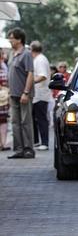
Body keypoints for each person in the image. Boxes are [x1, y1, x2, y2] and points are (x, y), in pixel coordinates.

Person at [6, 28, 35, 159]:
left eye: (12, 38)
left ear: (19, 39)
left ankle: (28, 149)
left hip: (24, 94)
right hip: (13, 93)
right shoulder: (12, 53)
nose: (10, 41)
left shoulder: (26, 54)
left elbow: (30, 73)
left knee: (25, 121)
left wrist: (26, 92)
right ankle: (19, 149)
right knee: (15, 122)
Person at [30, 41, 51, 151]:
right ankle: (37, 141)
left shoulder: (40, 60)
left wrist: (30, 81)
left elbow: (42, 76)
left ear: (32, 49)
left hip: (41, 95)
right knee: (34, 118)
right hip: (37, 95)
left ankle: (45, 142)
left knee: (41, 119)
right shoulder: (38, 59)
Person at [0, 48, 9, 151]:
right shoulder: (4, 67)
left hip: (3, 96)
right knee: (3, 120)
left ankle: (2, 143)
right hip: (3, 96)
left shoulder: (4, 66)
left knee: (3, 120)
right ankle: (3, 143)